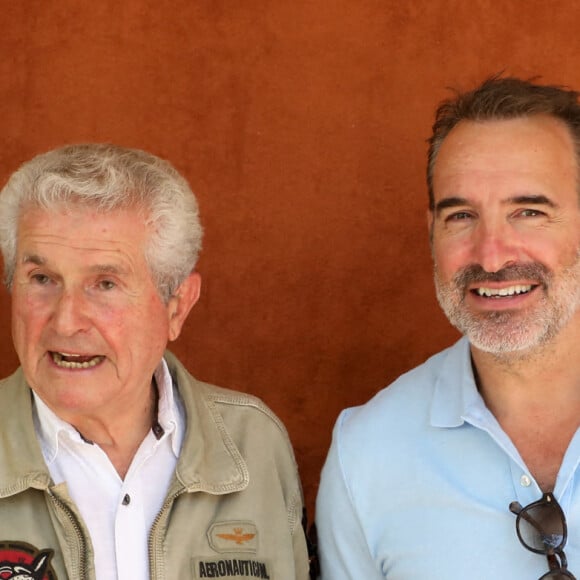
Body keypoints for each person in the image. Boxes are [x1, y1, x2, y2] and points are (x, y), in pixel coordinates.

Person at [0, 144, 311, 580]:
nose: (66, 321)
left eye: (105, 284)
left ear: (177, 307)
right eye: (42, 279)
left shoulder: (253, 443)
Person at [316, 75, 580, 579]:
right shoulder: (367, 452)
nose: (492, 255)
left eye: (529, 211)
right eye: (461, 216)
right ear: (431, 233)